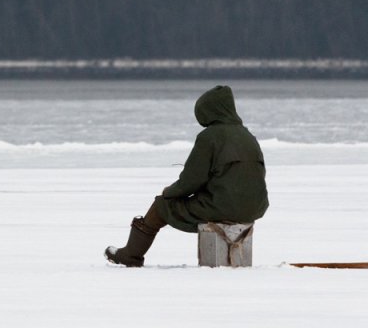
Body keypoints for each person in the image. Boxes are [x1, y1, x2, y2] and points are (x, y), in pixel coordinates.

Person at [105, 85, 269, 267]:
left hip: (223, 207)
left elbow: (191, 181)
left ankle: (131, 255)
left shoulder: (209, 137)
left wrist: (169, 193)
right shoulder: (248, 136)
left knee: (160, 206)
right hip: (254, 208)